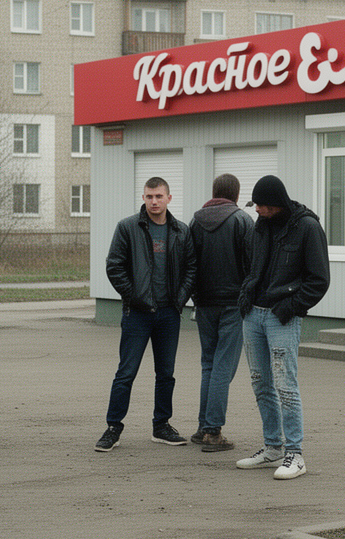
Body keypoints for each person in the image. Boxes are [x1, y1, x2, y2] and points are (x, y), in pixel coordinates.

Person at [235, 175, 330, 480]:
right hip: (253, 314)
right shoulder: (261, 225)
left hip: (282, 317)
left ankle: (295, 454)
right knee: (260, 382)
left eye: (261, 205)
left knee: (285, 385)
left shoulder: (308, 227)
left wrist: (291, 306)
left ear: (275, 203)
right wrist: (246, 295)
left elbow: (319, 280)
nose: (257, 210)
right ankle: (273, 448)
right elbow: (252, 266)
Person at [96, 177, 196, 451]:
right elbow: (114, 266)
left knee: (166, 373)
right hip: (137, 314)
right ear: (143, 197)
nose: (154, 201)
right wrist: (134, 297)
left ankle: (161, 426)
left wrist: (179, 300)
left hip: (168, 314)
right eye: (149, 196)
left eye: (159, 196)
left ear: (169, 198)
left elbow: (191, 268)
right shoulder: (128, 227)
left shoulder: (181, 231)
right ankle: (113, 428)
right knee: (126, 372)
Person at [189, 173, 254, 453]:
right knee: (223, 366)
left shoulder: (195, 221)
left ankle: (203, 427)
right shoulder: (242, 221)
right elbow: (253, 264)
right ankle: (213, 432)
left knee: (209, 364)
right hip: (233, 304)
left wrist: (194, 295)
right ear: (236, 194)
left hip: (204, 303)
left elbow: (189, 262)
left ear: (214, 191)